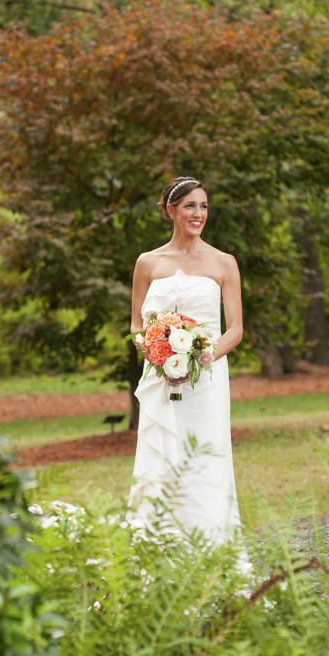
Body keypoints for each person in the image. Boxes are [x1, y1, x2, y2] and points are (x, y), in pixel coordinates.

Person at [128, 176, 243, 540]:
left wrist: (201, 357)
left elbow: (235, 330)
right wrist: (154, 353)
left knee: (205, 453)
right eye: (190, 206)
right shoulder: (147, 263)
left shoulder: (224, 262)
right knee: (164, 454)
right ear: (171, 210)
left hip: (206, 380)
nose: (199, 214)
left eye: (204, 206)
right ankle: (159, 539)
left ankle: (211, 541)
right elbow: (136, 326)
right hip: (160, 377)